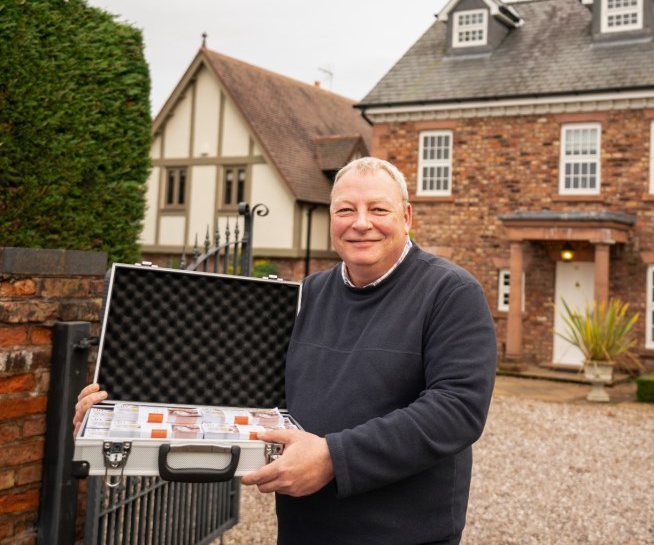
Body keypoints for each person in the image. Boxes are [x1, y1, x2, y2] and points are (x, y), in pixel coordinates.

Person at [74, 157, 498, 544]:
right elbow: (257, 397)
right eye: (346, 210)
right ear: (331, 218)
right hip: (304, 526)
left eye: (378, 209)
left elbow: (457, 410)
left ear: (406, 217)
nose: (361, 222)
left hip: (403, 533)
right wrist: (118, 416)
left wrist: (334, 457)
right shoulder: (311, 292)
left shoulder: (450, 292)